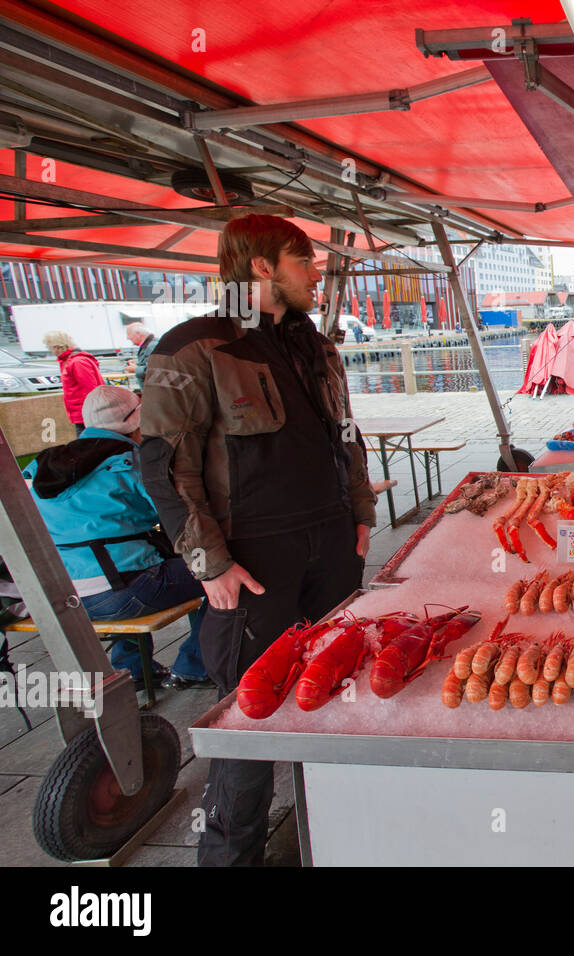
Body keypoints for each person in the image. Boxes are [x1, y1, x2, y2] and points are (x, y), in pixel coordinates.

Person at [139, 213, 377, 866]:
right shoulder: (193, 347)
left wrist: (359, 514)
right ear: (263, 267)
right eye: (307, 263)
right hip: (251, 558)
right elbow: (164, 464)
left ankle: (339, 832)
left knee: (340, 688)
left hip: (331, 545)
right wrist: (207, 562)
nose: (319, 274)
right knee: (248, 712)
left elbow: (346, 435)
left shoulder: (315, 347)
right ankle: (230, 855)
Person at [22, 386, 208, 690]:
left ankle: (133, 669)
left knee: (124, 569)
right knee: (223, 571)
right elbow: (179, 518)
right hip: (121, 594)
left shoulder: (43, 463)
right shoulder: (134, 463)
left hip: (61, 595)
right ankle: (195, 664)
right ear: (138, 420)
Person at [42, 331, 105, 435]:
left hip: (86, 413)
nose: (50, 351)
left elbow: (91, 388)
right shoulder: (71, 361)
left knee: (87, 444)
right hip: (84, 412)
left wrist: (92, 411)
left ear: (57, 347)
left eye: (49, 347)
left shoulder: (76, 362)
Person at [123, 322, 158, 391]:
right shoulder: (149, 345)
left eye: (129, 334)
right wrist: (137, 364)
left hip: (154, 390)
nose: (128, 338)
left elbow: (155, 370)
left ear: (138, 334)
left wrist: (135, 369)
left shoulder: (151, 347)